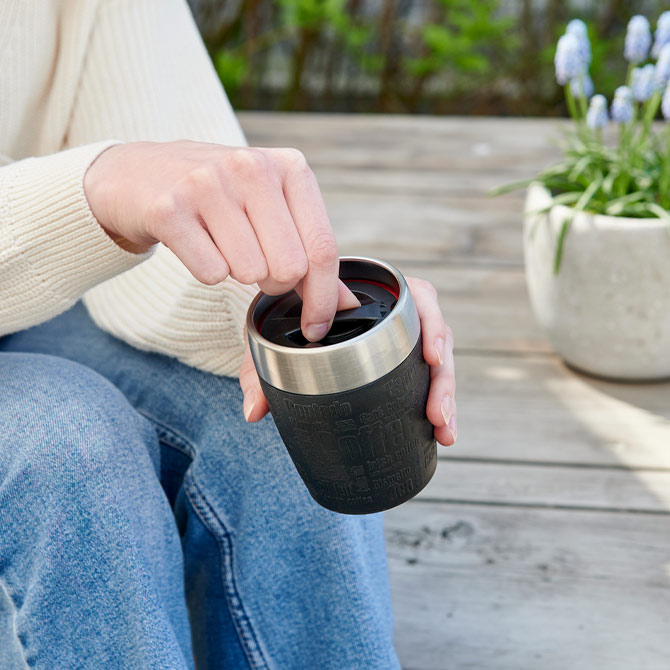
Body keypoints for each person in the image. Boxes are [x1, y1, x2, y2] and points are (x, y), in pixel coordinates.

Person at [0, 1, 457, 668]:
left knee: (289, 420)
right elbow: (100, 187)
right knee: (69, 442)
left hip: (31, 292)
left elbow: (164, 153)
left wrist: (281, 298)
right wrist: (91, 190)